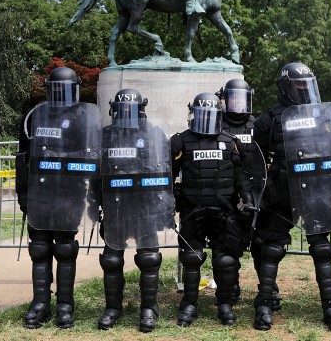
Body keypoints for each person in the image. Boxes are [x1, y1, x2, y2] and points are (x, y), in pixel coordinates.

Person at [252, 62, 331, 332]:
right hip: (281, 193)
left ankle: (330, 306)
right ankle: (264, 303)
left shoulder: (322, 114)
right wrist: (263, 189)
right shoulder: (268, 119)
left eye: (307, 85)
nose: (304, 90)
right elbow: (255, 159)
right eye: (299, 86)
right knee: (272, 248)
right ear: (285, 87)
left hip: (316, 189)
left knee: (322, 249)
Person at [16, 66, 101, 329]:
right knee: (39, 248)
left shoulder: (83, 118)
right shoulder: (35, 115)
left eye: (65, 89)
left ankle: (65, 304)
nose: (60, 95)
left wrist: (93, 195)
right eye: (55, 89)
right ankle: (40, 303)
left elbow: (92, 155)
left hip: (69, 191)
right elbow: (23, 160)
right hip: (40, 192)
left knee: (65, 249)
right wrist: (23, 194)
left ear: (75, 89)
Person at [171, 92, 254, 327]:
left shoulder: (229, 141)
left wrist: (247, 198)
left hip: (224, 210)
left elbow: (240, 175)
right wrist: (166, 200)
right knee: (191, 257)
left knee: (225, 259)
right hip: (192, 208)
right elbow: (169, 175)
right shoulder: (180, 141)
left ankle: (225, 303)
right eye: (201, 115)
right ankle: (189, 303)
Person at [96, 89, 175, 332]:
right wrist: (94, 204)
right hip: (115, 205)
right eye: (122, 110)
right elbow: (95, 173)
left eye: (131, 110)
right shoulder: (105, 136)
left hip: (144, 206)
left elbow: (163, 171)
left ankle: (148, 308)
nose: (127, 115)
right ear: (114, 110)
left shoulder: (153, 134)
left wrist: (164, 208)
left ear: (141, 110)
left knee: (149, 259)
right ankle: (113, 307)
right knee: (111, 260)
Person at [215, 79, 268, 305]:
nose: (237, 103)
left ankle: (267, 287)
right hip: (227, 195)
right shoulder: (215, 125)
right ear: (225, 99)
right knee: (228, 244)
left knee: (261, 244)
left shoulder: (258, 124)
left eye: (242, 98)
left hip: (255, 194)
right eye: (233, 98)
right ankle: (230, 287)